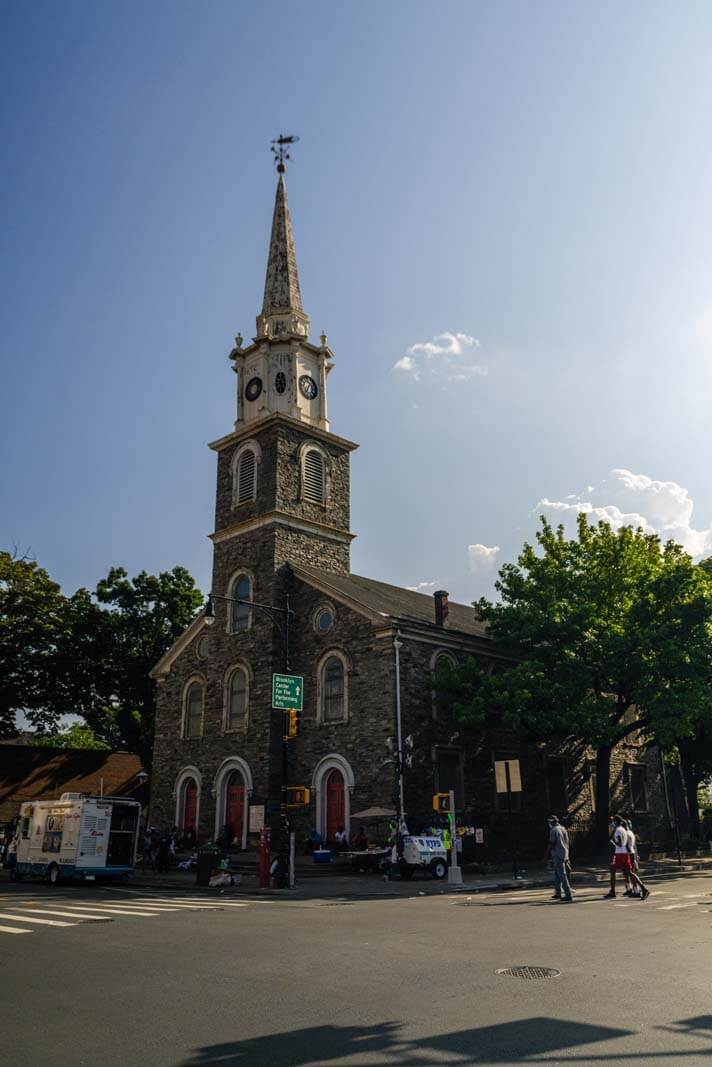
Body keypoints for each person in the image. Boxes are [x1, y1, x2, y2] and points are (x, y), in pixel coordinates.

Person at [604, 815, 649, 900]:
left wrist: (613, 842)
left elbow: (620, 843)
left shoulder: (618, 830)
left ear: (616, 822)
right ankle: (644, 889)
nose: (612, 823)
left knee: (612, 870)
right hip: (625, 853)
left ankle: (612, 892)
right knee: (629, 872)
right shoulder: (624, 830)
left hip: (619, 854)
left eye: (613, 822)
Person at [545, 815, 573, 902]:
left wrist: (546, 854)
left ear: (551, 822)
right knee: (557, 873)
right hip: (564, 853)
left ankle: (568, 894)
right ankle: (558, 892)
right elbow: (567, 842)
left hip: (557, 854)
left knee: (562, 874)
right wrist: (567, 855)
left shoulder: (553, 830)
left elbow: (551, 843)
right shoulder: (563, 828)